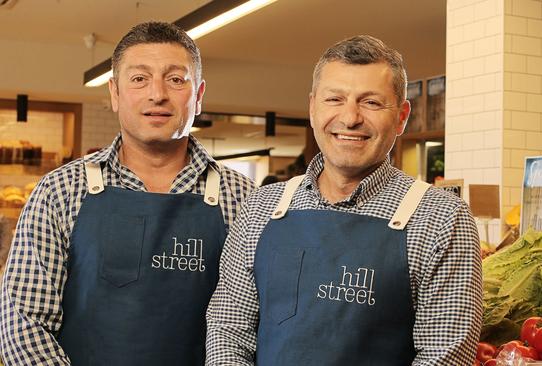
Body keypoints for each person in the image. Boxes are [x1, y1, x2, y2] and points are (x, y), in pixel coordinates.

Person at [206, 35, 483, 365]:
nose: (350, 118)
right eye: (334, 99)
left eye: (371, 103)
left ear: (402, 116)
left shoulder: (443, 219)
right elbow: (228, 330)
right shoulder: (261, 208)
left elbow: (445, 355)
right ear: (312, 107)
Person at [0, 21, 255, 365]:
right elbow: (23, 323)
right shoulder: (59, 191)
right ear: (115, 93)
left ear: (198, 96)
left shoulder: (244, 199)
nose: (157, 94)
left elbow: (247, 328)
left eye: (176, 79)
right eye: (139, 79)